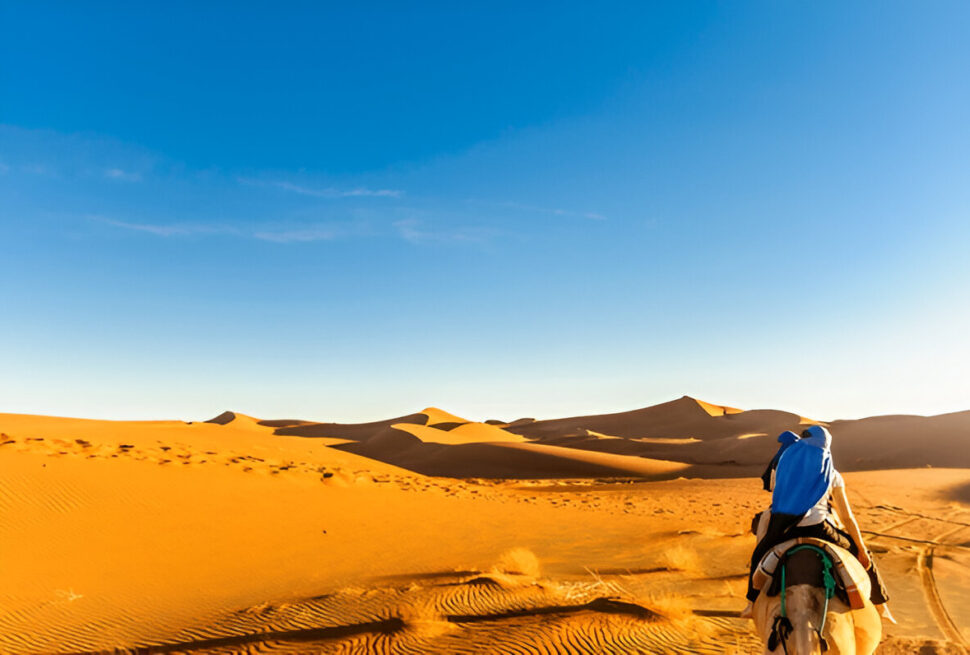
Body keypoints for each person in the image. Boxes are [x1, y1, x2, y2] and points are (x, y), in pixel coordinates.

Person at [741, 425, 893, 622]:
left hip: (784, 528)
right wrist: (861, 549)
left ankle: (751, 604)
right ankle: (881, 606)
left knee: (759, 555)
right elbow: (846, 517)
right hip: (820, 529)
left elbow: (775, 492)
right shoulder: (832, 473)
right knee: (862, 555)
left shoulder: (784, 465)